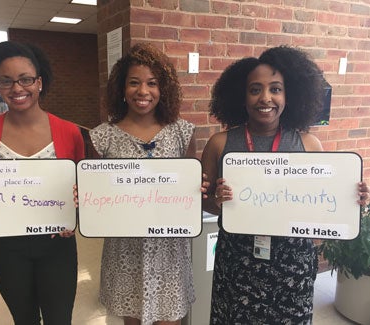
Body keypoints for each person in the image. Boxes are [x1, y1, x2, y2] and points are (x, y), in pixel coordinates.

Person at [201, 45, 369, 324]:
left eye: (275, 89)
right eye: (255, 89)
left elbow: (326, 203)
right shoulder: (220, 144)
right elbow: (206, 203)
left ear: (290, 95)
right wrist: (216, 201)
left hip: (293, 266)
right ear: (241, 97)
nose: (265, 98)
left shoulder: (309, 145)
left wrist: (353, 199)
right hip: (238, 265)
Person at [0, 41, 85, 325]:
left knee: (60, 319)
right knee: (24, 318)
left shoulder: (69, 132)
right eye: (6, 81)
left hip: (57, 244)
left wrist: (78, 211)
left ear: (40, 82)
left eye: (25, 79)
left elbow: (79, 188)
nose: (17, 89)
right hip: (6, 247)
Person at [89, 43, 199, 325]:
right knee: (132, 320)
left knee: (170, 320)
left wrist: (196, 188)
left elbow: (190, 189)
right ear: (121, 89)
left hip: (169, 249)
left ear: (163, 89)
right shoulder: (103, 138)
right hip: (126, 250)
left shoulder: (182, 132)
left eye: (152, 83)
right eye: (134, 83)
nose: (143, 91)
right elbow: (96, 198)